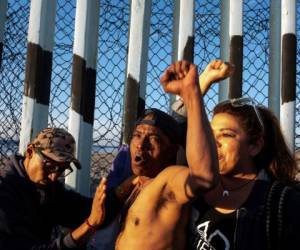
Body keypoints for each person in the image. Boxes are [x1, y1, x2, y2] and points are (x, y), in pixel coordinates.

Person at [111, 59, 237, 250]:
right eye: (136, 136)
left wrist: (193, 92)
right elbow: (173, 124)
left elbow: (203, 177)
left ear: (173, 151)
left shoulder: (169, 181)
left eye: (153, 139)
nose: (141, 145)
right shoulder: (135, 181)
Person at [189, 97, 300, 249]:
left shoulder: (283, 203)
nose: (213, 142)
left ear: (254, 146)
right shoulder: (194, 191)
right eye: (210, 134)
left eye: (226, 134)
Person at [0, 128, 109, 250]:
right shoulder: (5, 190)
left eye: (61, 169)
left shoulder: (46, 188)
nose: (54, 177)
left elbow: (81, 209)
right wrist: (89, 225)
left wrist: (125, 187)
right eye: (49, 165)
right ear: (30, 151)